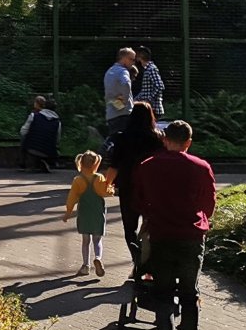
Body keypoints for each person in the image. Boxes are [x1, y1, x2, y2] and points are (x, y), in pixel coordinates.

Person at [135, 121, 217, 330]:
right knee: (189, 293)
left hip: (161, 235)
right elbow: (208, 206)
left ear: (164, 139)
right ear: (188, 142)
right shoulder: (201, 167)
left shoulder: (147, 167)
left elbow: (138, 202)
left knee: (163, 293)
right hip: (191, 237)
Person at [103, 102, 164, 263]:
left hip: (128, 186)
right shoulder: (157, 138)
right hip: (151, 187)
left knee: (129, 228)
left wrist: (106, 184)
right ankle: (148, 261)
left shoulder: (121, 137)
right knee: (149, 225)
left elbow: (114, 165)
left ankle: (137, 260)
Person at [63, 150, 112, 278]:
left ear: (81, 163)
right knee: (97, 240)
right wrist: (111, 188)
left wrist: (68, 212)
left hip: (84, 213)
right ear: (96, 164)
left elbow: (72, 198)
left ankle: (85, 265)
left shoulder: (78, 180)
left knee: (85, 241)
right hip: (97, 213)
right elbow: (105, 192)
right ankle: (98, 257)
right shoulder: (99, 178)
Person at [20, 95, 62, 172]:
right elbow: (57, 139)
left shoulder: (34, 116)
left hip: (32, 147)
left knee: (25, 138)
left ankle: (26, 163)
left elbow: (23, 131)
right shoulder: (57, 122)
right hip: (48, 151)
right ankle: (47, 162)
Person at [103, 48, 137, 139]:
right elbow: (126, 83)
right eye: (132, 59)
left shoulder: (109, 71)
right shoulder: (123, 71)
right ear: (124, 59)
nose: (133, 62)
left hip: (111, 114)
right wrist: (125, 102)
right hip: (123, 115)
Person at [133, 45, 165, 119]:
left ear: (139, 56)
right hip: (148, 108)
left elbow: (159, 86)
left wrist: (149, 99)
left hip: (153, 108)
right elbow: (145, 90)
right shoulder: (147, 69)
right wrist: (135, 101)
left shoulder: (151, 69)